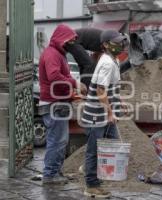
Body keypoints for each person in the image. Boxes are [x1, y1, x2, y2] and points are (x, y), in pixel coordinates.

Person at [38, 24, 87, 185]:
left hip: (57, 102)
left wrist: (72, 96)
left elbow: (59, 82)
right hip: (53, 104)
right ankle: (50, 175)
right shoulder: (52, 54)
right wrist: (75, 83)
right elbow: (54, 77)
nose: (71, 44)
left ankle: (55, 173)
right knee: (57, 141)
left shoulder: (59, 54)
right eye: (70, 40)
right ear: (61, 39)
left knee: (60, 141)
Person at [81, 30, 127, 198]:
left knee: (111, 143)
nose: (120, 45)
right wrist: (109, 113)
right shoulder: (107, 62)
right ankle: (91, 185)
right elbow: (100, 90)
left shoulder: (114, 59)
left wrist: (119, 102)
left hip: (104, 113)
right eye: (116, 42)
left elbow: (110, 87)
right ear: (106, 45)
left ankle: (88, 170)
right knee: (94, 150)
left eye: (121, 41)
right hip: (97, 115)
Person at [64, 28, 130, 88]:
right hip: (72, 40)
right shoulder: (108, 40)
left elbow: (95, 58)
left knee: (86, 66)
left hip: (73, 39)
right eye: (122, 46)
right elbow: (96, 61)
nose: (122, 48)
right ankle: (86, 90)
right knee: (89, 65)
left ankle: (83, 87)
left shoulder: (107, 41)